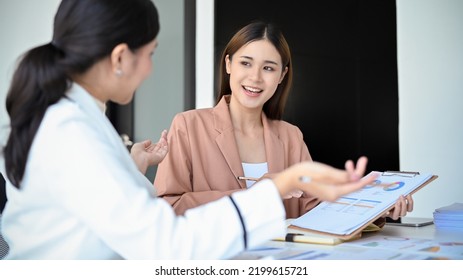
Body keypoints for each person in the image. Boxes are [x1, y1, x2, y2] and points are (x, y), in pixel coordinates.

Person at [0, 0, 377, 260]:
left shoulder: (77, 124)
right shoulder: (72, 133)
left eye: (269, 67)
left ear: (282, 76)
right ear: (119, 58)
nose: (149, 69)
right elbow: (167, 241)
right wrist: (278, 185)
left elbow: (103, 212)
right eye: (149, 54)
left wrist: (130, 167)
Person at [154, 21, 413, 221]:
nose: (255, 78)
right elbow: (167, 206)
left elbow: (314, 207)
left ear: (281, 75)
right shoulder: (188, 125)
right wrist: (256, 196)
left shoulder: (290, 136)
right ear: (229, 64)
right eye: (246, 63)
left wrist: (376, 209)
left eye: (268, 68)